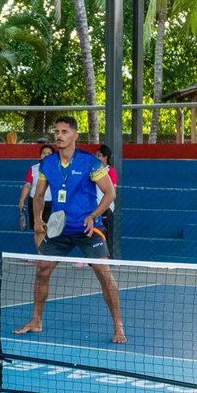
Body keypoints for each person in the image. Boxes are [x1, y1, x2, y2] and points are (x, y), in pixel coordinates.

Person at [14, 115, 126, 344]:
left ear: (75, 135)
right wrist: (38, 219)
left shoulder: (90, 162)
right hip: (60, 229)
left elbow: (110, 193)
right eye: (57, 131)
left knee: (104, 273)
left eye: (64, 131)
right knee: (42, 270)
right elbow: (38, 194)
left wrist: (93, 215)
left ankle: (118, 326)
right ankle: (36, 320)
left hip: (88, 228)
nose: (59, 135)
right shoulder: (48, 163)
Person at [17, 140, 54, 231]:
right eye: (43, 153)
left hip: (51, 203)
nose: (46, 155)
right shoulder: (33, 169)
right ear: (40, 155)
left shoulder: (58, 169)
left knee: (49, 230)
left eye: (49, 153)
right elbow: (27, 185)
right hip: (35, 202)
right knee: (37, 229)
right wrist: (21, 200)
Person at [96, 143, 118, 247]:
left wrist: (104, 206)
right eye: (96, 155)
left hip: (106, 208)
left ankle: (108, 256)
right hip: (94, 208)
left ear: (106, 157)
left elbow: (111, 192)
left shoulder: (110, 171)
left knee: (106, 237)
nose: (97, 158)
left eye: (100, 155)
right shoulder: (94, 170)